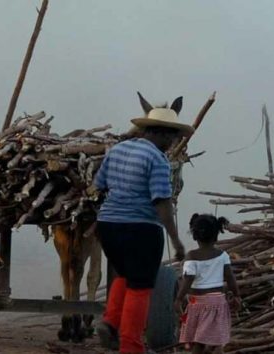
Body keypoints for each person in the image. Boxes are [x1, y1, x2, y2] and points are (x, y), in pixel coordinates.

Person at [94, 93, 192, 354]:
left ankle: (111, 322)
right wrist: (175, 239)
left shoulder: (117, 150)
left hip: (108, 226)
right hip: (141, 229)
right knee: (141, 287)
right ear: (161, 133)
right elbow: (162, 202)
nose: (173, 142)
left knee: (125, 275)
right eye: (172, 136)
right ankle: (131, 346)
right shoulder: (158, 159)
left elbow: (99, 185)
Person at [175, 213, 241, 354]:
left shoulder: (191, 257)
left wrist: (179, 299)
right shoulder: (222, 256)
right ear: (216, 235)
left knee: (198, 343)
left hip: (196, 304)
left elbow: (188, 281)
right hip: (218, 304)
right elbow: (230, 277)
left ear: (194, 236)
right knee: (217, 344)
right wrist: (237, 295)